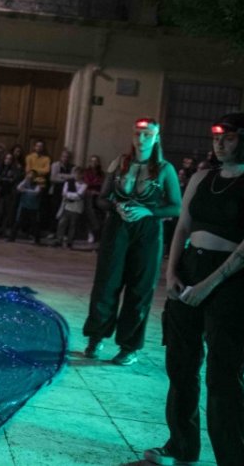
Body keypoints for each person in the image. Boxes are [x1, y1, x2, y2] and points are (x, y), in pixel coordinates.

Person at [144, 114, 244, 466]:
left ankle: (235, 459)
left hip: (228, 279)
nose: (219, 143)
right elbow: (182, 227)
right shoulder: (201, 177)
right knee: (181, 365)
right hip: (190, 268)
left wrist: (209, 284)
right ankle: (181, 445)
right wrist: (172, 273)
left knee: (223, 375)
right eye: (216, 137)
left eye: (228, 137)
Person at [82, 117, 181, 366]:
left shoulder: (165, 168)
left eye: (148, 134)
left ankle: (129, 346)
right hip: (117, 229)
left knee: (140, 288)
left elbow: (176, 206)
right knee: (106, 283)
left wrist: (149, 211)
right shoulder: (120, 163)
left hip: (148, 232)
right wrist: (115, 204)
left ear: (156, 137)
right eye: (138, 133)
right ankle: (96, 337)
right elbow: (101, 198)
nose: (142, 138)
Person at [0, 152, 24, 237]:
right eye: (6, 158)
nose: (7, 160)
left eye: (10, 159)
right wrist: (3, 180)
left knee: (7, 213)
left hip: (10, 193)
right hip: (0, 192)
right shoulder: (0, 167)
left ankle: (3, 230)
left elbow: (14, 179)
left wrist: (7, 179)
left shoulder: (14, 169)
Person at [55, 166, 87, 248]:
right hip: (67, 206)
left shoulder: (84, 185)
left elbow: (79, 196)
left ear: (82, 175)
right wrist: (73, 195)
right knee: (62, 223)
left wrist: (69, 195)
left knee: (73, 225)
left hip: (76, 208)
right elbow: (64, 193)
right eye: (75, 173)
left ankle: (70, 241)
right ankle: (59, 240)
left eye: (79, 174)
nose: (77, 175)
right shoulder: (68, 183)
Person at [8, 174, 46, 244]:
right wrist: (25, 181)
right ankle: (12, 238)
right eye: (28, 179)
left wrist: (25, 190)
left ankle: (37, 240)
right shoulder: (25, 183)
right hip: (24, 206)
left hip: (33, 208)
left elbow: (36, 192)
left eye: (31, 179)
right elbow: (18, 188)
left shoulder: (37, 184)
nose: (30, 180)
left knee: (35, 224)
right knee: (18, 222)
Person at [82, 154, 106, 246]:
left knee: (100, 211)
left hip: (98, 194)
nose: (94, 163)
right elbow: (87, 182)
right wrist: (94, 185)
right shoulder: (86, 172)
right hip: (88, 194)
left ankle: (99, 233)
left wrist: (96, 186)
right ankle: (91, 231)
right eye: (92, 161)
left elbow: (102, 183)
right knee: (90, 211)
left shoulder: (101, 173)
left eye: (96, 161)